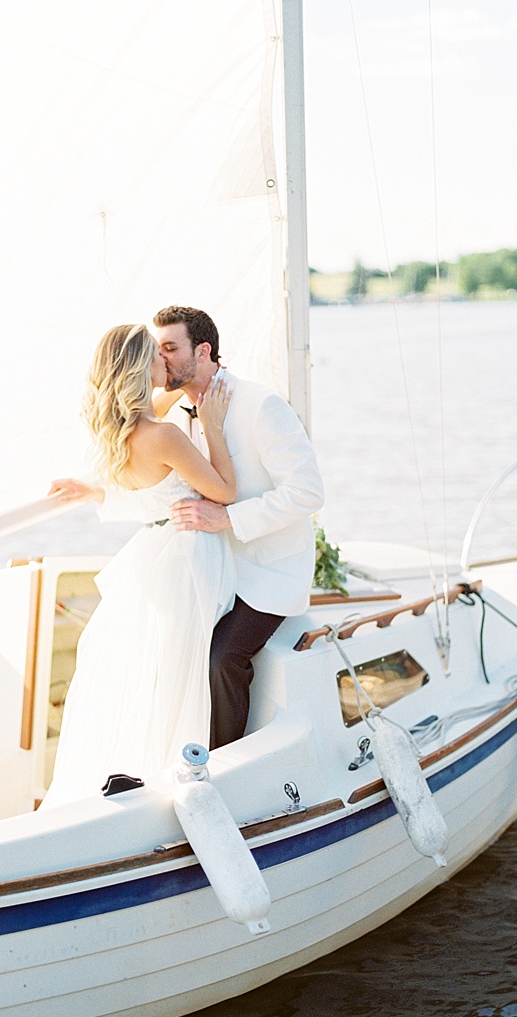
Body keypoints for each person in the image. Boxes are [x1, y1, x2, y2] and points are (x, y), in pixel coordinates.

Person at [40, 323, 236, 808]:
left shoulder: (119, 432)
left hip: (151, 563)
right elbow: (225, 492)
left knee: (152, 680)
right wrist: (211, 424)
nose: (165, 362)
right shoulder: (165, 436)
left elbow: (145, 489)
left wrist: (95, 490)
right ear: (141, 369)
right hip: (186, 561)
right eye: (157, 356)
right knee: (179, 678)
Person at [152, 305, 324, 750]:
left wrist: (229, 517)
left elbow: (308, 492)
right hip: (212, 567)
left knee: (222, 659)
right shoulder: (173, 417)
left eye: (170, 348)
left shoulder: (261, 405)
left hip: (269, 572)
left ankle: (222, 762)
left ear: (203, 351)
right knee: (164, 646)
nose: (161, 359)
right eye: (157, 350)